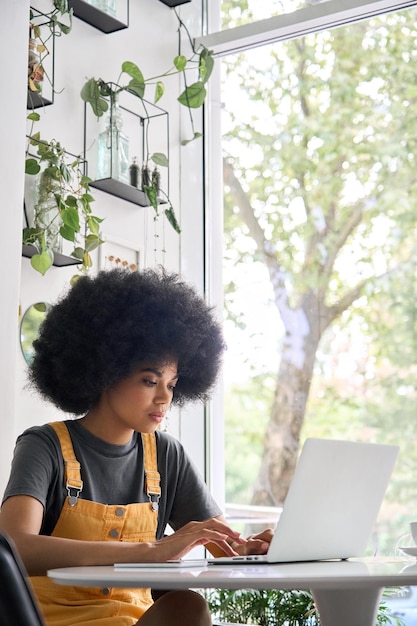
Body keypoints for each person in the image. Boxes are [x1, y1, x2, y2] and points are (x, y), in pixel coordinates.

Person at [0, 268, 272, 626]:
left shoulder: (166, 456)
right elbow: (14, 544)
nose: (164, 398)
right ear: (104, 370)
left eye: (172, 384)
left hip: (134, 621)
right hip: (49, 620)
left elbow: (220, 543)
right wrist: (151, 551)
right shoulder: (44, 446)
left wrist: (245, 548)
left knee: (188, 606)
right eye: (149, 380)